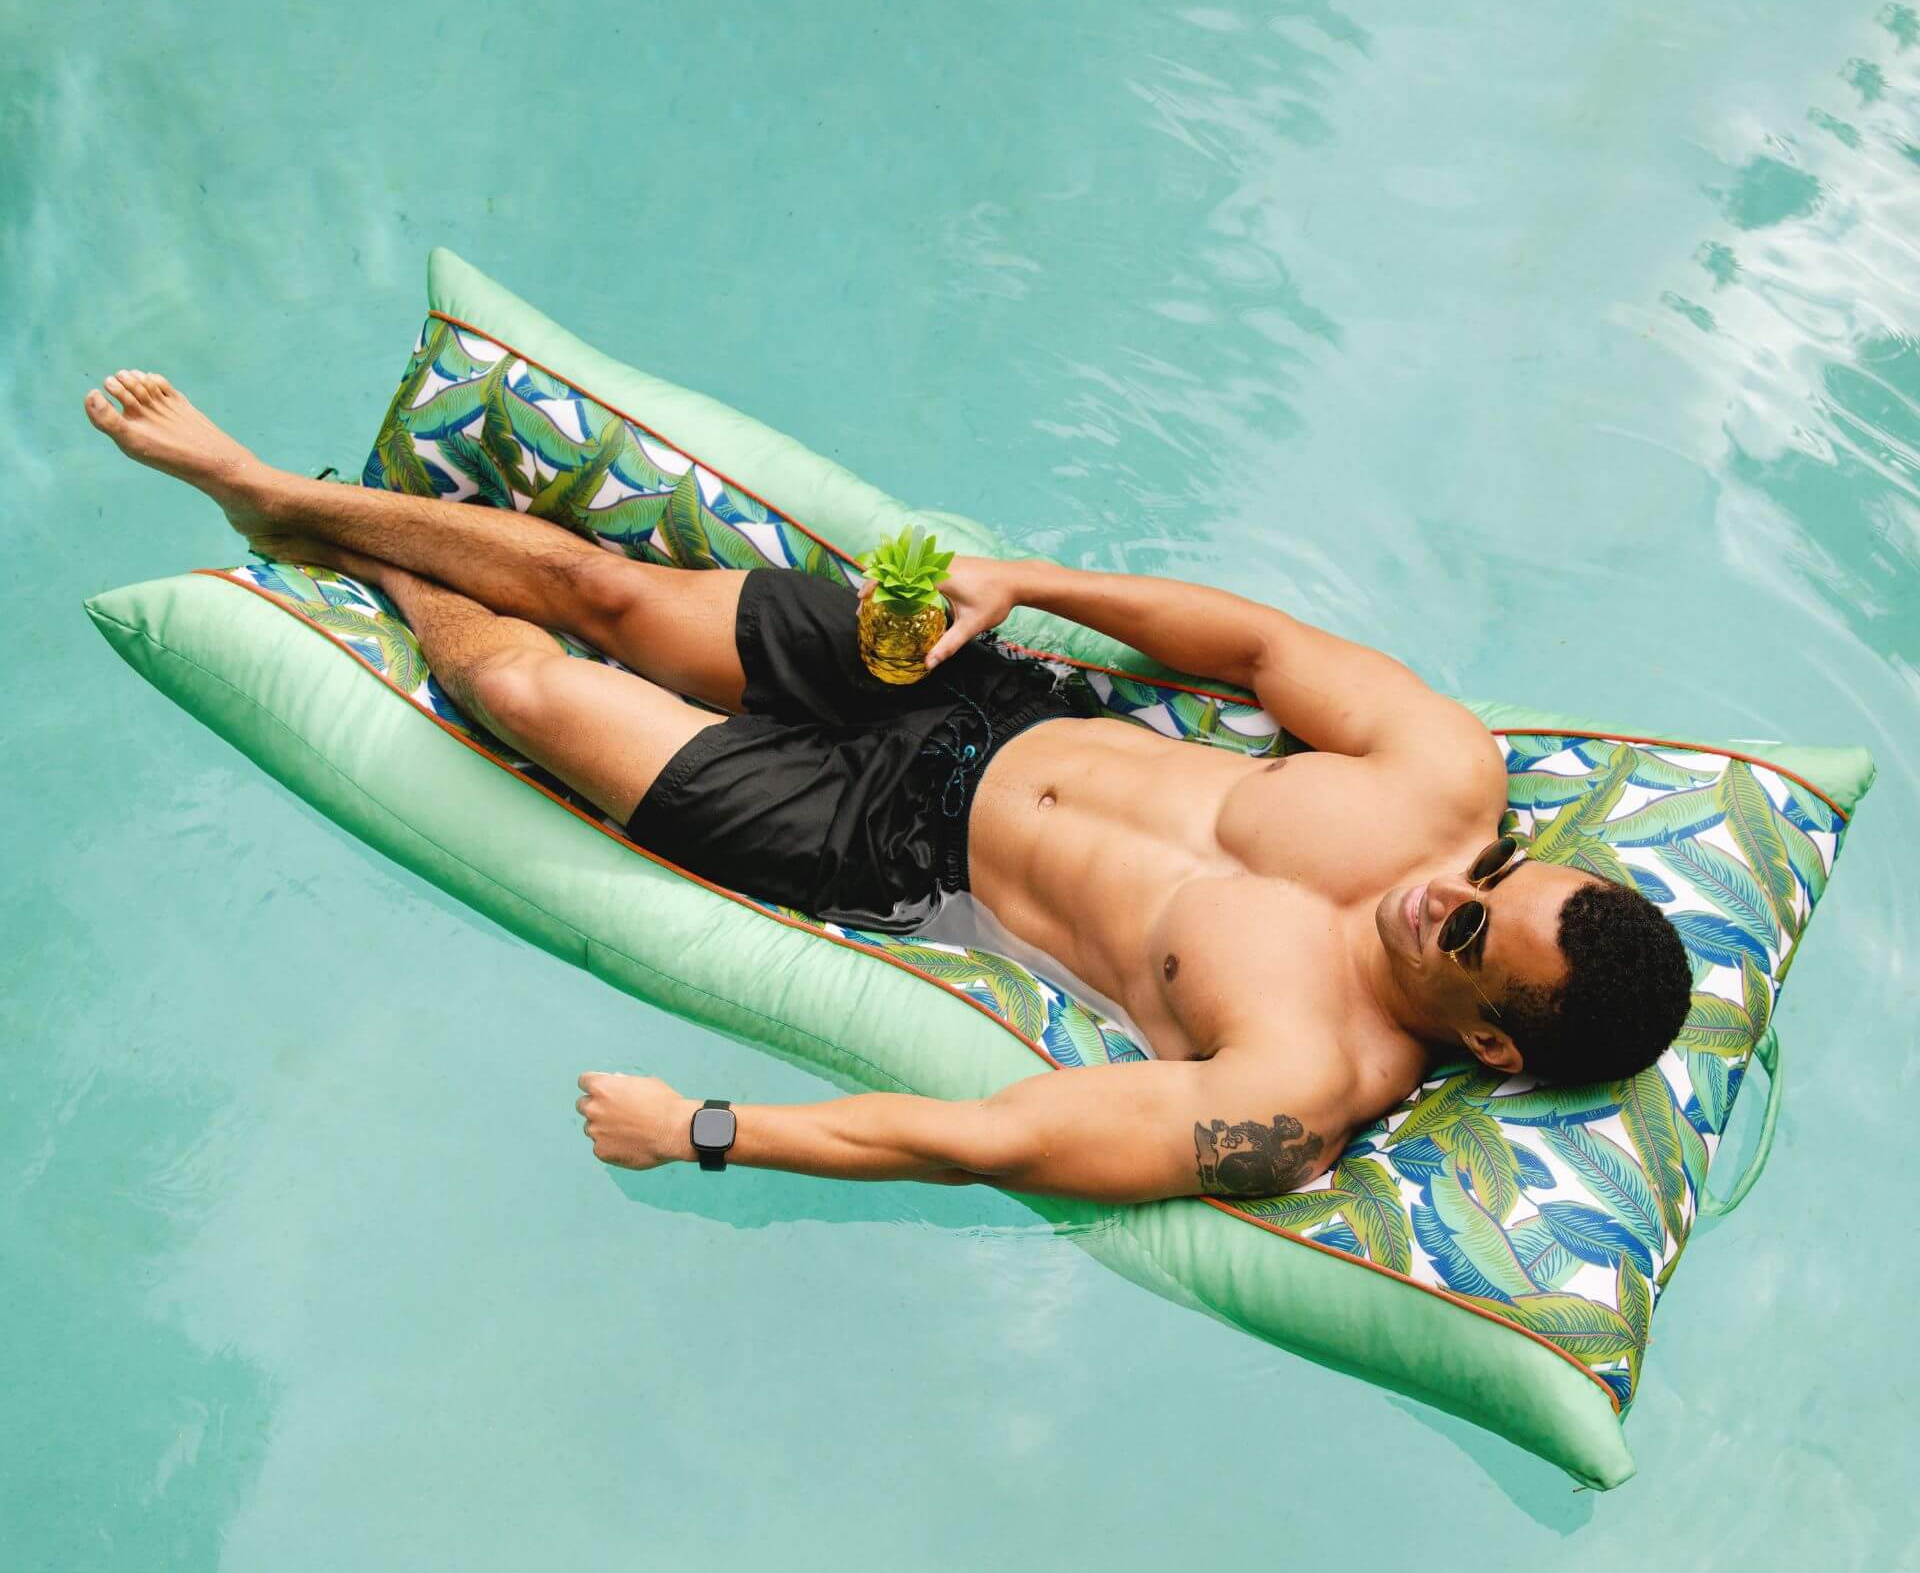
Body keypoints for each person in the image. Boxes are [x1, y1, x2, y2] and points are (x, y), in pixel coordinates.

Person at [85, 370, 1692, 1204]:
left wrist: (707, 1132)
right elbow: (1264, 649)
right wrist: (1024, 581)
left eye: (1476, 940)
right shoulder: (1441, 785)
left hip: (882, 845)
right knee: (608, 597)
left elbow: (990, 1144)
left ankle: (336, 558)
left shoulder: (1293, 1090)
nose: (1452, 895)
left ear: (1488, 1041)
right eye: (1498, 881)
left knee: (517, 685)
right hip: (978, 689)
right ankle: (277, 498)